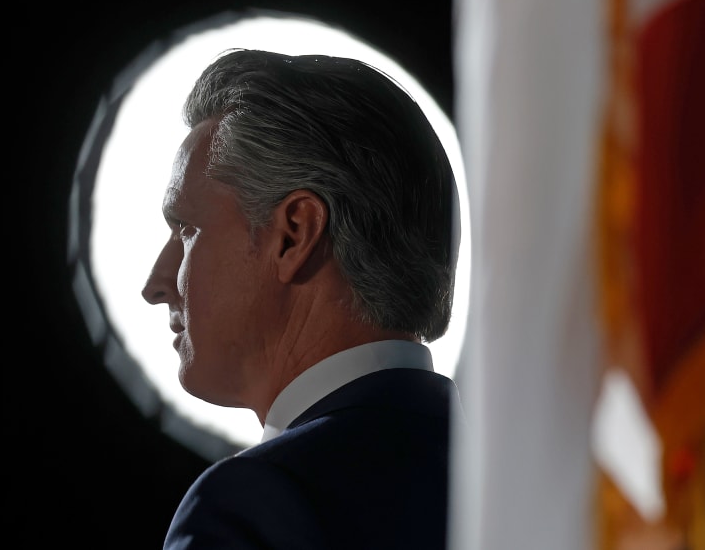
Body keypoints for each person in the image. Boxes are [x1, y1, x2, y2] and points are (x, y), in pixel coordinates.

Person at [140, 48, 465, 550]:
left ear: (295, 233)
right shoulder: (530, 477)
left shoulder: (253, 503)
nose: (155, 284)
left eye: (186, 230)